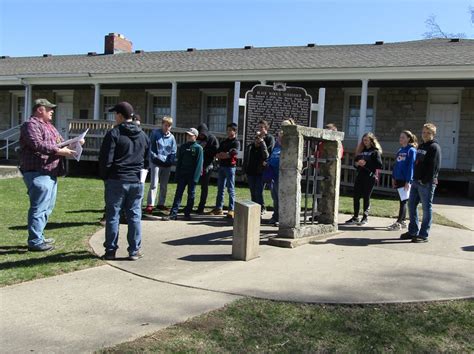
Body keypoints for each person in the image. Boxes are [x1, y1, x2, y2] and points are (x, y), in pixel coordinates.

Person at [19, 99, 79, 252]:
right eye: (49, 109)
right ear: (40, 110)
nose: (52, 111)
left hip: (51, 172)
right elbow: (38, 145)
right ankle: (35, 242)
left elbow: (59, 143)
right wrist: (60, 151)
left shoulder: (50, 127)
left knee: (47, 208)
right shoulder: (30, 125)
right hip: (37, 172)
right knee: (39, 207)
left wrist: (74, 144)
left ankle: (39, 236)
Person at [99, 101, 150, 261]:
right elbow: (148, 160)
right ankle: (134, 250)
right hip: (136, 180)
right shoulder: (143, 135)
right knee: (134, 216)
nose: (115, 118)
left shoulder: (114, 134)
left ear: (120, 116)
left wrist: (105, 176)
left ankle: (110, 250)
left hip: (117, 179)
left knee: (113, 215)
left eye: (115, 115)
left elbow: (106, 160)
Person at [401, 123, 441, 242]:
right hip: (416, 181)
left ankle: (423, 235)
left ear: (433, 134)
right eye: (424, 132)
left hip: (426, 183)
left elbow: (434, 167)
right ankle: (413, 231)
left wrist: (424, 180)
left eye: (428, 133)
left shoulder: (434, 147)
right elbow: (417, 163)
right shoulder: (421, 146)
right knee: (411, 205)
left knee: (426, 208)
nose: (425, 134)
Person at [164, 128, 203, 221]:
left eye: (190, 135)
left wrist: (196, 178)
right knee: (178, 194)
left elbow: (199, 164)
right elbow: (179, 162)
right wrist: (177, 175)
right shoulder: (183, 147)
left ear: (195, 137)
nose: (188, 137)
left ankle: (187, 213)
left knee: (191, 194)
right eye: (187, 135)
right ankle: (173, 213)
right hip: (182, 174)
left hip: (192, 175)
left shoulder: (198, 148)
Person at [346, 132, 383, 225]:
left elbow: (379, 165)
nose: (365, 142)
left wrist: (366, 164)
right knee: (356, 196)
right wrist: (357, 164)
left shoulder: (375, 151)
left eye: (366, 140)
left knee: (366, 197)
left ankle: (365, 217)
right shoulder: (361, 151)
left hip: (370, 177)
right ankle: (355, 217)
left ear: (371, 141)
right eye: (363, 140)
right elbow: (355, 163)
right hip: (360, 176)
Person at [144, 116, 177, 214]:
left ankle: (161, 203)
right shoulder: (155, 134)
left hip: (167, 164)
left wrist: (170, 161)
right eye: (165, 125)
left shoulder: (172, 137)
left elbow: (173, 150)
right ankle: (150, 204)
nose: (167, 127)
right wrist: (157, 158)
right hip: (156, 163)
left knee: (164, 185)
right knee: (154, 183)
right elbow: (151, 149)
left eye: (169, 126)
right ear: (162, 124)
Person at [266, 119, 295, 226]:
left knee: (282, 198)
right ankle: (276, 216)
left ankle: (281, 218)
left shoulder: (291, 141)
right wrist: (268, 161)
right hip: (274, 175)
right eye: (282, 126)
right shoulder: (278, 143)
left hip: (284, 176)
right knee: (275, 198)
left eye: (285, 126)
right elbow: (274, 154)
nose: (282, 129)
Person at [208, 123, 241, 219]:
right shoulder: (224, 142)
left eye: (231, 130)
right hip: (222, 167)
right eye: (228, 129)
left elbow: (232, 154)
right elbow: (217, 154)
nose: (228, 131)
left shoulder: (236, 142)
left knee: (230, 188)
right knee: (220, 188)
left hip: (230, 167)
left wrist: (225, 154)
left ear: (234, 131)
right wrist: (224, 154)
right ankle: (219, 208)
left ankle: (231, 210)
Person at [387, 130, 417, 231]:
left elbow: (411, 167)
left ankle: (398, 222)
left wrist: (408, 181)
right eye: (400, 137)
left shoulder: (411, 150)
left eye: (403, 137)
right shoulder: (400, 150)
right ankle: (403, 221)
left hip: (405, 180)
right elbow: (396, 165)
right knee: (402, 200)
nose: (401, 139)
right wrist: (393, 177)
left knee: (403, 201)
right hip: (398, 178)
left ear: (409, 138)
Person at [243, 131, 269, 213]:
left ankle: (262, 208)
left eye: (260, 138)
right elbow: (246, 159)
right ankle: (254, 208)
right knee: (253, 192)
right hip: (250, 172)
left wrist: (263, 144)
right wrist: (244, 172)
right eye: (256, 138)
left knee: (259, 192)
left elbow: (266, 156)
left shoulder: (263, 148)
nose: (257, 140)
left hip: (260, 173)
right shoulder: (250, 147)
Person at [196, 123, 219, 214]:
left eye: (202, 134)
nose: (201, 136)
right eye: (199, 134)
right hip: (197, 165)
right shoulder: (197, 139)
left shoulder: (212, 138)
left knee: (204, 186)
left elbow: (216, 150)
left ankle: (201, 206)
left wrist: (204, 150)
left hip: (207, 165)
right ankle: (190, 205)